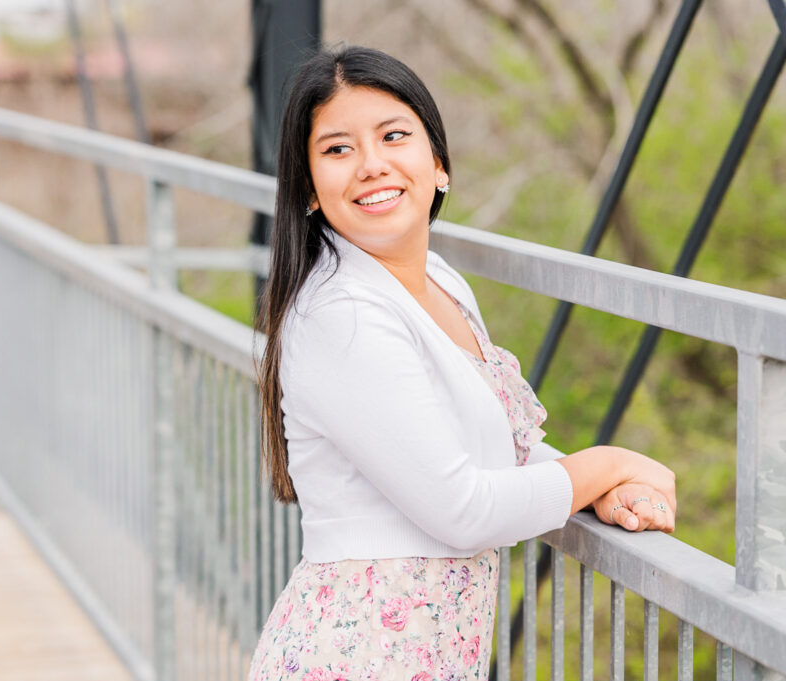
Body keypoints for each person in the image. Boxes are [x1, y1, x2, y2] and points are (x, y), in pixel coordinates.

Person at [250, 45, 676, 681]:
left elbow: (485, 450)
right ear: (309, 190)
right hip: (357, 658)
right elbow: (463, 510)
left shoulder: (437, 284)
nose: (371, 165)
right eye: (337, 149)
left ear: (439, 164)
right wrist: (608, 463)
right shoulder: (344, 314)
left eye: (394, 136)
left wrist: (600, 493)